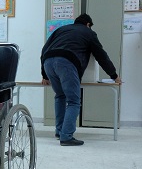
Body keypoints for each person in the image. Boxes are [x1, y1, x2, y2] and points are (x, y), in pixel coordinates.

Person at [40, 13, 121, 146]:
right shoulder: (89, 33)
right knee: (73, 101)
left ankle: (60, 131)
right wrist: (114, 76)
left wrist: (44, 75)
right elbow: (101, 56)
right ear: (88, 24)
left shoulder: (61, 30)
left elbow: (44, 50)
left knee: (60, 96)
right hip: (66, 62)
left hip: (48, 62)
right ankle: (66, 137)